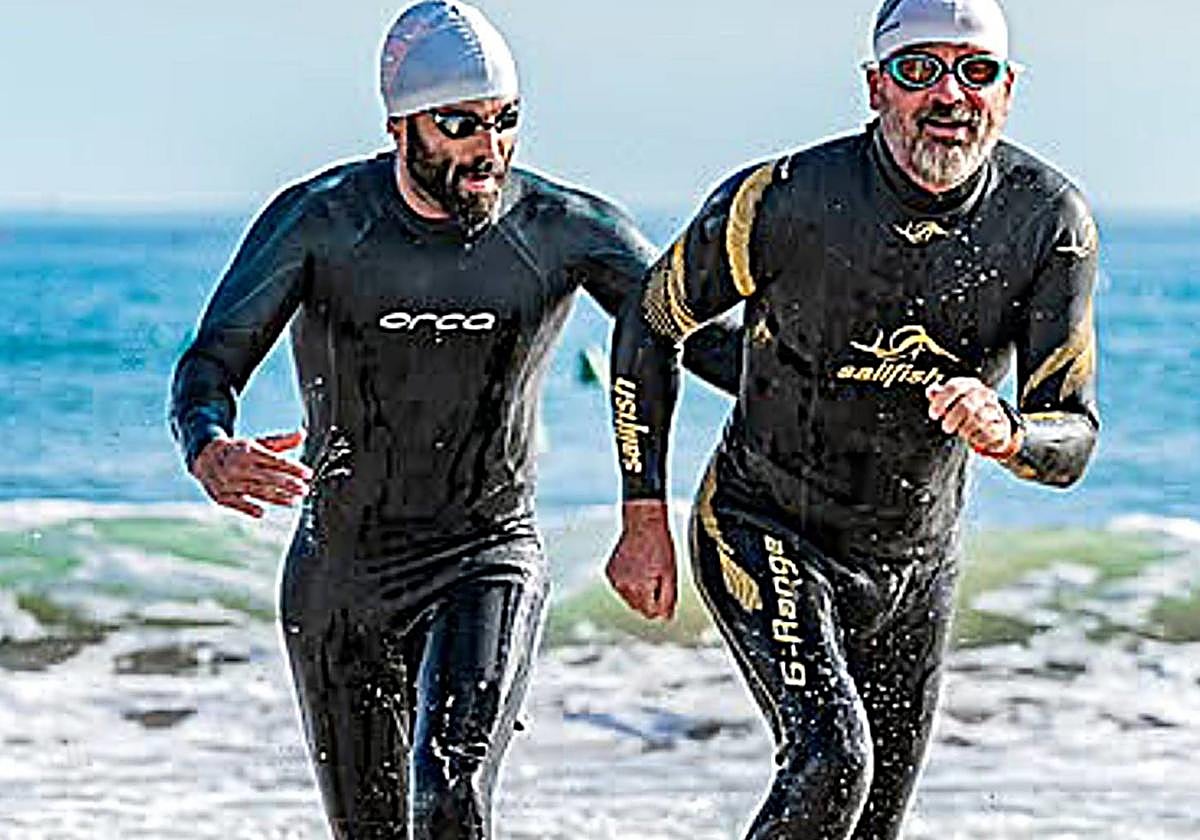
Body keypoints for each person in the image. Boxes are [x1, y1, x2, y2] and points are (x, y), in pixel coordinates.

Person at [168, 2, 742, 837]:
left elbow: (697, 341)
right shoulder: (322, 220)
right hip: (342, 574)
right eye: (460, 125)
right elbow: (211, 362)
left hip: (487, 553)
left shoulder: (564, 230)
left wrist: (860, 381)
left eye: (505, 121)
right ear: (400, 126)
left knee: (449, 789)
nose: (488, 148)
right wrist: (209, 446)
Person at [604, 0, 1100, 837]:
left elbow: (1073, 434)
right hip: (766, 524)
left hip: (915, 567)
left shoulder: (1048, 222)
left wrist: (1011, 431)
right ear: (876, 87)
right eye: (919, 70)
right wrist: (642, 513)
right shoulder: (785, 199)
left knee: (871, 822)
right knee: (832, 763)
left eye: (976, 72)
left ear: (1008, 91)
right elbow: (652, 319)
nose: (950, 95)